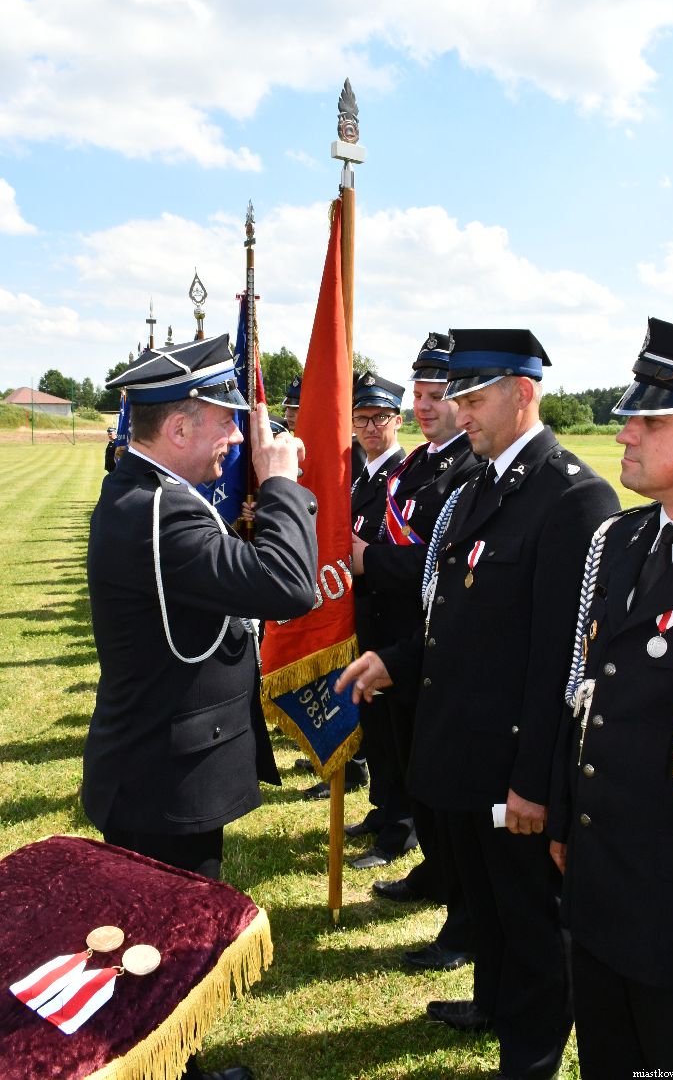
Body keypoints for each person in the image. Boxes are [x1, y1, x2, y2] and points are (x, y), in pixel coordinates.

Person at [337, 329, 617, 1080]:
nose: (460, 413)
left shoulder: (572, 496)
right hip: (459, 744)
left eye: (475, 398)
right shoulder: (476, 486)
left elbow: (562, 662)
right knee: (488, 905)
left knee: (530, 918)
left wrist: (533, 782)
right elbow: (452, 620)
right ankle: (491, 1002)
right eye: (455, 397)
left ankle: (530, 1056)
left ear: (523, 394)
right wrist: (395, 661)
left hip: (510, 760)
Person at [83, 333, 318, 1080]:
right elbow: (288, 586)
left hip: (157, 763)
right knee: (162, 946)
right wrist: (281, 485)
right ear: (179, 428)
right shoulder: (161, 512)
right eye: (225, 421)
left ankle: (173, 1065)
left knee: (160, 941)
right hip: (164, 779)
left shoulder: (145, 494)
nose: (239, 439)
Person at [548, 317, 673, 1077]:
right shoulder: (622, 540)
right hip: (603, 894)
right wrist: (565, 816)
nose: (624, 431)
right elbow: (587, 693)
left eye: (652, 421)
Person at [346, 334, 479, 974]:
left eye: (437, 395)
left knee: (430, 771)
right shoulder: (421, 464)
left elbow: (437, 565)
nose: (425, 406)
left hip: (427, 642)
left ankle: (453, 894)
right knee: (402, 753)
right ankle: (433, 869)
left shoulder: (467, 468)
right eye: (419, 394)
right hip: (392, 634)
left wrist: (368, 560)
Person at [303, 370, 405, 801]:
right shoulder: (362, 475)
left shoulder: (403, 476)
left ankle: (396, 818)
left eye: (380, 418)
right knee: (373, 724)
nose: (369, 428)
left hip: (390, 619)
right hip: (358, 614)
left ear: (398, 420)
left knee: (393, 730)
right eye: (360, 419)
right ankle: (381, 807)